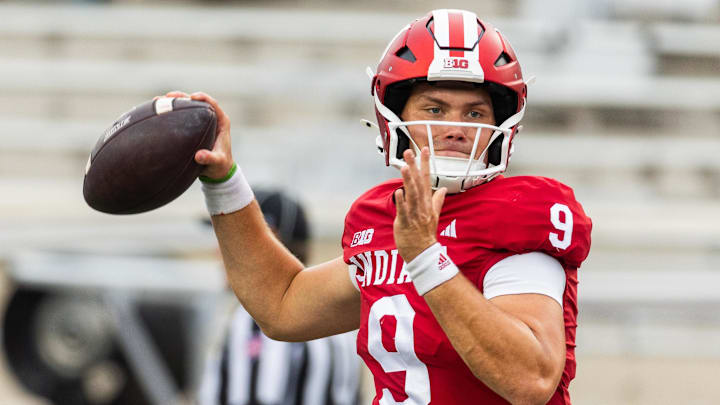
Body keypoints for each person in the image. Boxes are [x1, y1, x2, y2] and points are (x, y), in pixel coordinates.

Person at [167, 8, 592, 404]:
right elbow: (282, 306)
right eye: (435, 108)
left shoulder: (521, 210)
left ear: (501, 125)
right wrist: (223, 181)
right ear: (393, 115)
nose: (456, 128)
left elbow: (531, 379)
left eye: (475, 113)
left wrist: (425, 257)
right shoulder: (383, 215)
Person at [197, 190, 361, 405]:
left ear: (264, 241)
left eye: (226, 236)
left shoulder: (258, 319)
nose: (217, 251)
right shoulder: (337, 315)